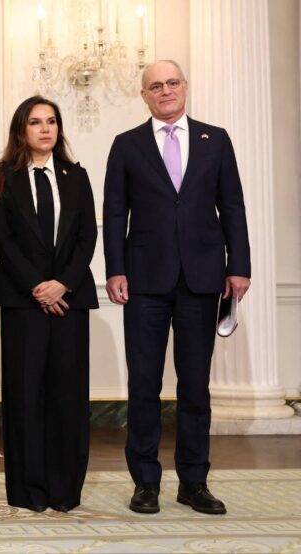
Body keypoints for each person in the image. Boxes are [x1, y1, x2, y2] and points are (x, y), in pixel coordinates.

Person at [103, 59, 251, 515]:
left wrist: (239, 266)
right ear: (144, 95)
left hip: (202, 278)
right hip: (144, 280)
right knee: (144, 384)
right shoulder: (126, 144)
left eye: (172, 83)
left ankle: (194, 482)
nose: (165, 91)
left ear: (184, 87)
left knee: (195, 387)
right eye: (155, 86)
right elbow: (114, 212)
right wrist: (115, 269)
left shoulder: (215, 139)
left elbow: (232, 205)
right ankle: (145, 483)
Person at [0, 96, 98, 513]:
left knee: (68, 396)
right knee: (24, 395)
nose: (45, 129)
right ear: (22, 130)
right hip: (23, 300)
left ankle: (64, 490)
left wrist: (62, 284)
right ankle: (28, 490)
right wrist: (38, 286)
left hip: (71, 300)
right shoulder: (2, 176)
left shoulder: (76, 175)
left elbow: (87, 236)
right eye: (35, 122)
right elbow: (1, 237)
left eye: (51, 121)